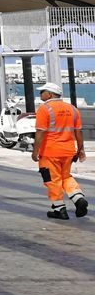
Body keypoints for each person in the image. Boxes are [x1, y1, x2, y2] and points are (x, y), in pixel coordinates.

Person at [32, 82, 86, 220]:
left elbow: (40, 132)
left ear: (50, 94)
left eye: (42, 91)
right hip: (68, 151)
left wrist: (35, 151)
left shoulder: (44, 109)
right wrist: (80, 150)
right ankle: (79, 198)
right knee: (66, 177)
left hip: (50, 152)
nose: (40, 94)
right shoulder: (72, 109)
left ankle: (59, 210)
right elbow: (78, 132)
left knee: (52, 180)